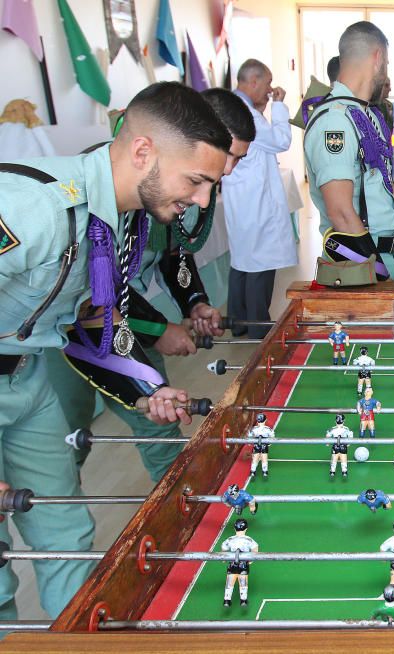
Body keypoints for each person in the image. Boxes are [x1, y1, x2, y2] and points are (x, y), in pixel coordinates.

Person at [0, 81, 230, 620]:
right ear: (143, 151)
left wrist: (145, 388)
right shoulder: (33, 208)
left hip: (28, 378)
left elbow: (91, 322)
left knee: (65, 530)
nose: (201, 200)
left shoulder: (117, 222)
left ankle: (76, 638)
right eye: (195, 181)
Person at [47, 87, 252, 483]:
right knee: (63, 443)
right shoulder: (115, 186)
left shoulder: (175, 184)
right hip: (64, 335)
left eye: (236, 161)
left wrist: (194, 301)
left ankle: (182, 504)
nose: (227, 171)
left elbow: (173, 250)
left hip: (117, 323)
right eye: (228, 156)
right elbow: (90, 291)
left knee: (159, 421)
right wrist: (159, 329)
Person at [304, 22, 394, 285]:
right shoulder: (334, 122)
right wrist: (381, 277)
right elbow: (341, 212)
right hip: (359, 265)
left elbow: (388, 191)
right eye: (387, 63)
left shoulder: (371, 116)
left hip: (390, 258)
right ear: (378, 57)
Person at [225, 59, 296, 340]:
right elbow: (280, 140)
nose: (270, 89)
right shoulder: (247, 114)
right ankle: (258, 327)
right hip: (254, 200)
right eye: (267, 83)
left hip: (242, 197)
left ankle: (239, 323)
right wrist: (279, 106)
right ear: (253, 81)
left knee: (242, 260)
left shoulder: (235, 107)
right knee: (260, 263)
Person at [220, 518, 258, 607]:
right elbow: (255, 547)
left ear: (234, 529)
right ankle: (243, 600)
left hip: (232, 563)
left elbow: (223, 547)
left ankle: (227, 600)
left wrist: (224, 557)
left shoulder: (230, 539)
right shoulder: (248, 540)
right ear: (246, 529)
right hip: (243, 564)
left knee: (230, 582)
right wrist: (252, 558)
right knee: (243, 582)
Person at [248, 412, 274, 478]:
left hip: (256, 445)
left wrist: (251, 442)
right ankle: (265, 471)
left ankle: (253, 471)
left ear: (257, 421)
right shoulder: (268, 429)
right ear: (265, 420)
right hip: (264, 445)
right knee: (264, 458)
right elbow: (272, 437)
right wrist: (269, 443)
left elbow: (249, 437)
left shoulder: (254, 429)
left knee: (255, 458)